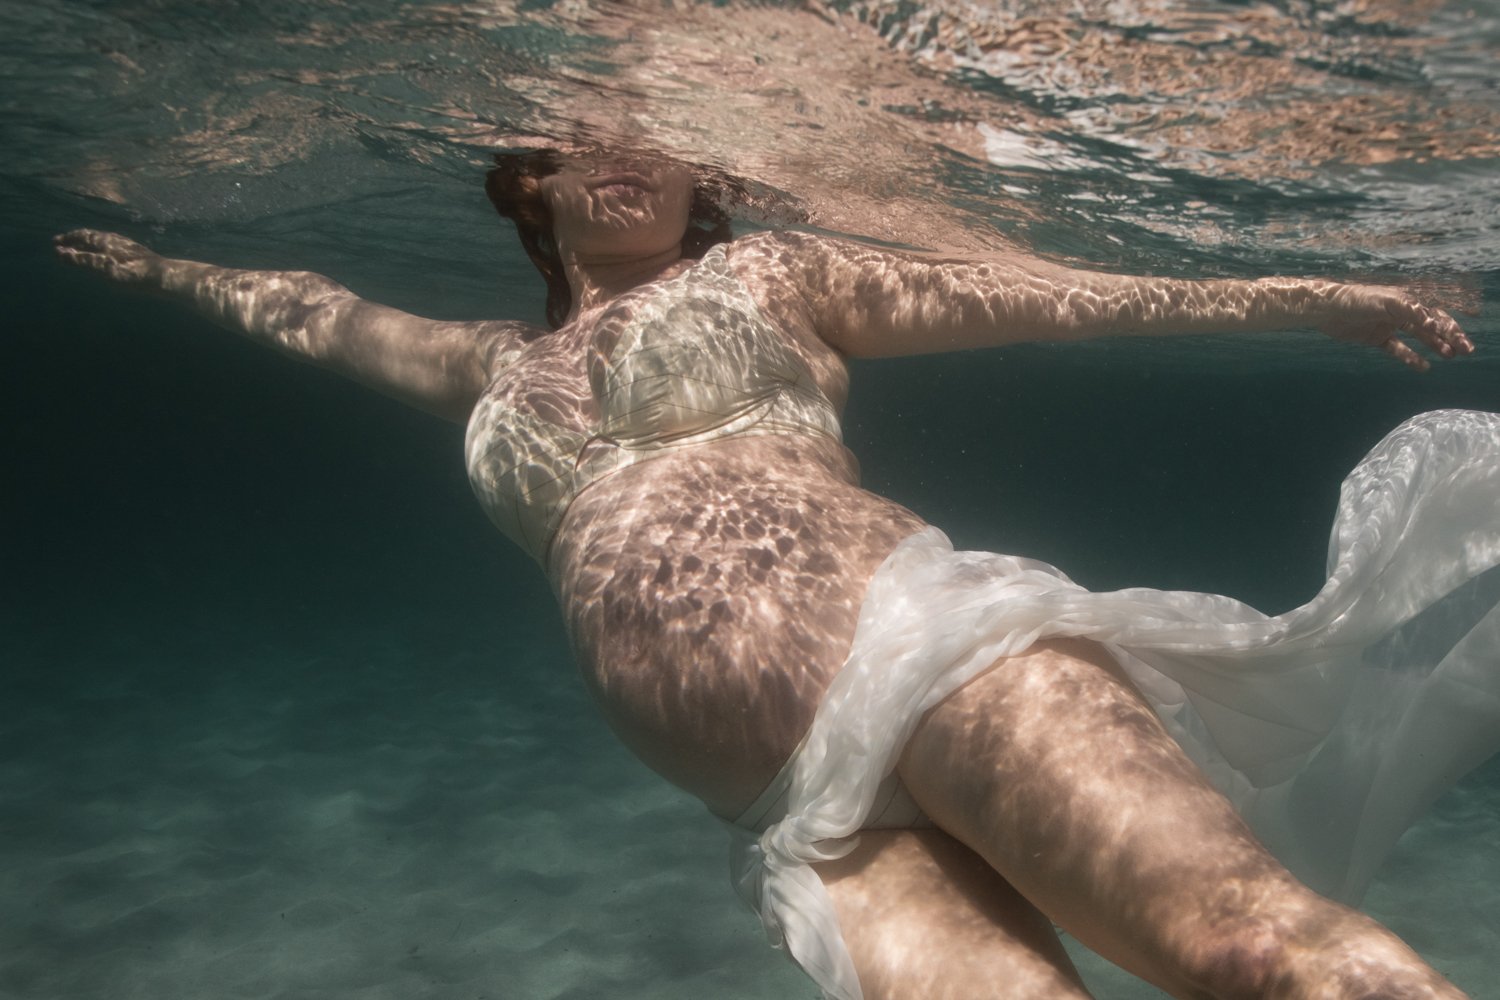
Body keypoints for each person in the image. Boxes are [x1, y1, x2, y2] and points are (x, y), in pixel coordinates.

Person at [54, 146, 1496, 1000]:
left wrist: (1309, 296)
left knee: (1247, 951)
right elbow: (309, 314)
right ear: (529, 184)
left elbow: (1061, 298)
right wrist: (142, 264)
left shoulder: (769, 278)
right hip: (788, 808)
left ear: (702, 181)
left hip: (939, 659)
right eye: (577, 135)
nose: (622, 150)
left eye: (654, 134)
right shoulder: (488, 366)